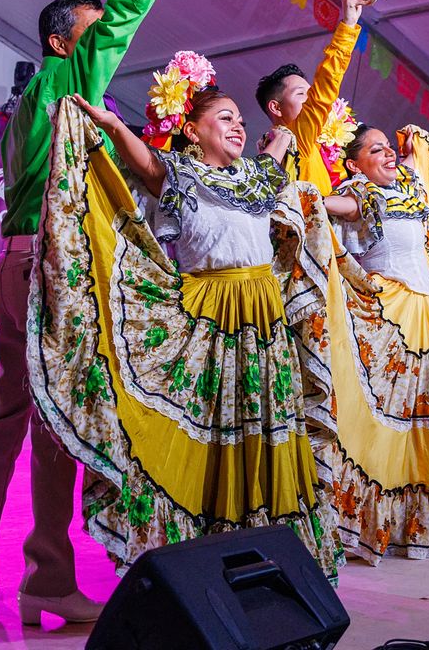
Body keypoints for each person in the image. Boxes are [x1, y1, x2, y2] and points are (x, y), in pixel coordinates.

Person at [0, 0, 191, 625]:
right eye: (89, 35)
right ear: (61, 40)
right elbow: (121, 17)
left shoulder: (39, 103)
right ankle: (49, 578)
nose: (103, 47)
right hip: (52, 267)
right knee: (62, 421)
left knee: (11, 412)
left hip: (28, 260)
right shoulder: (64, 77)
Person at [31, 78, 340, 577]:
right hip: (212, 315)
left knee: (261, 426)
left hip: (263, 316)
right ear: (193, 132)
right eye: (225, 118)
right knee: (217, 432)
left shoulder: (260, 178)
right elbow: (148, 164)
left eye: (241, 118)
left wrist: (286, 128)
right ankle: (210, 547)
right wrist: (111, 124)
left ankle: (266, 549)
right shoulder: (181, 173)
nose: (238, 125)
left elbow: (292, 132)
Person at [318, 124, 429, 561]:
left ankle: (422, 528)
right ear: (355, 164)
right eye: (376, 151)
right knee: (384, 423)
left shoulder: (411, 187)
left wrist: (411, 138)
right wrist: (307, 194)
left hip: (425, 318)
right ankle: (369, 525)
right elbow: (330, 203)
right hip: (388, 317)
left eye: (389, 148)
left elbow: (425, 159)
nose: (389, 154)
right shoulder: (359, 192)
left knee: (427, 419)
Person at [255, 0, 378, 184]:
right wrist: (347, 26)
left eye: (310, 93)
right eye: (302, 94)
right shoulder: (295, 137)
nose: (311, 98)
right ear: (276, 107)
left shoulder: (315, 146)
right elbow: (325, 86)